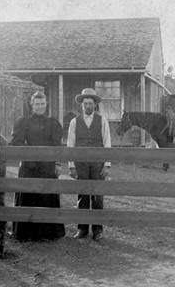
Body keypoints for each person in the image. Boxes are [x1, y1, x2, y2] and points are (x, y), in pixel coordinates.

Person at [10, 91, 65, 241]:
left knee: (47, 196)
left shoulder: (52, 123)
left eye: (42, 104)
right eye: (37, 104)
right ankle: (26, 234)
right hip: (29, 166)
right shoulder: (24, 122)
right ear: (32, 105)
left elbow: (57, 146)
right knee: (28, 196)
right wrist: (29, 155)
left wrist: (57, 163)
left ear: (46, 104)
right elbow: (17, 142)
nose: (40, 107)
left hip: (47, 167)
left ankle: (48, 234)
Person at [67, 88, 111, 242]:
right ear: (82, 105)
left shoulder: (102, 121)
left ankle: (98, 230)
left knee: (97, 196)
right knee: (82, 196)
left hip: (98, 164)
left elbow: (107, 143)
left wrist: (107, 164)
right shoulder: (74, 122)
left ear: (95, 104)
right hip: (81, 165)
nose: (88, 106)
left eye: (90, 103)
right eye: (85, 103)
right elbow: (70, 144)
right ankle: (82, 228)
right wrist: (71, 165)